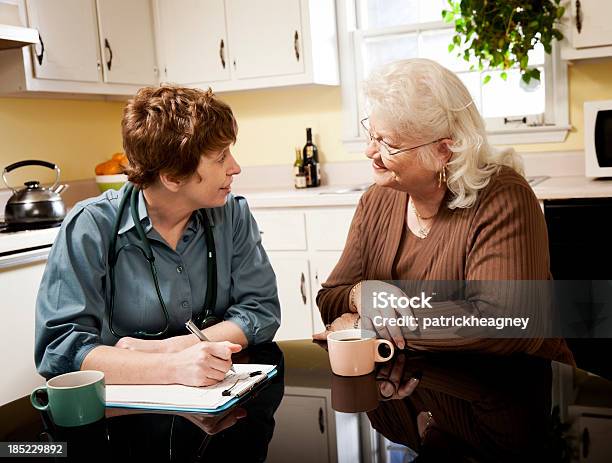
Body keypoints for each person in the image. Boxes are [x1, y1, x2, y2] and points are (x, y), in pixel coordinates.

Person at [315, 58, 573, 365]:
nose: (370, 152)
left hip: (507, 392)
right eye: (372, 135)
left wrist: (364, 327)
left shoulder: (504, 197)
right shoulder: (376, 201)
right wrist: (361, 293)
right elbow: (330, 298)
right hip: (406, 388)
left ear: (443, 151)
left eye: (388, 143)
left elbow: (501, 322)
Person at [35, 85, 281, 385]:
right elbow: (60, 349)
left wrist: (171, 347)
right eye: (220, 157)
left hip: (217, 400)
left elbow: (261, 311)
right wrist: (172, 367)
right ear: (173, 176)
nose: (235, 167)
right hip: (124, 418)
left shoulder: (232, 214)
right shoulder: (91, 226)